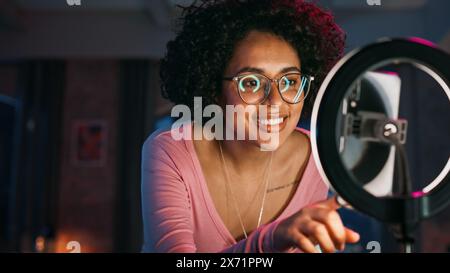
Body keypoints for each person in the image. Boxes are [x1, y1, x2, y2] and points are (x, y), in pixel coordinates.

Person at [141, 0, 360, 253]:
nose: (275, 101)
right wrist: (271, 240)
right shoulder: (171, 150)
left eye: (289, 81)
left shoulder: (315, 156)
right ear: (214, 90)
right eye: (251, 83)